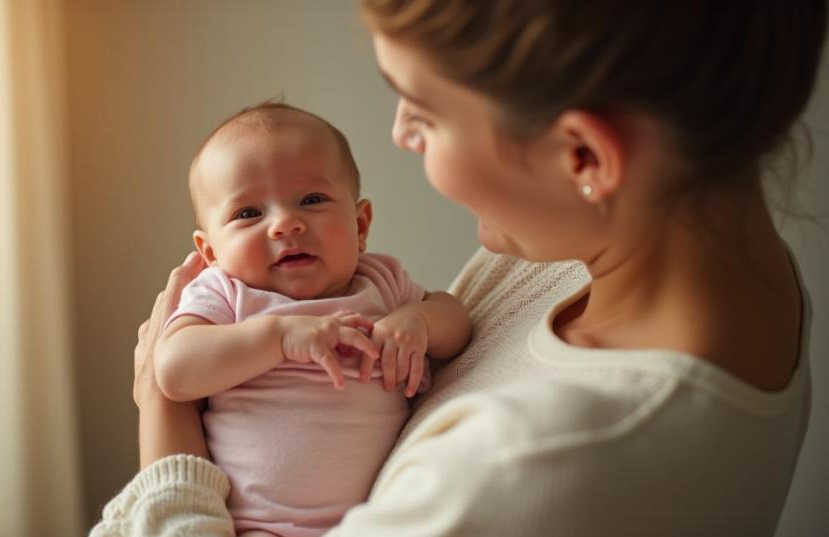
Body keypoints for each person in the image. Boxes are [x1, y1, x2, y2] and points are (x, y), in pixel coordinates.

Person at [92, 1, 826, 535]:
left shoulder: (520, 471)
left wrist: (162, 422)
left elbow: (443, 323)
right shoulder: (703, 254)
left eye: (423, 110)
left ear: (583, 158)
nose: (398, 135)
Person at [153, 102, 471, 537]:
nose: (286, 224)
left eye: (312, 200)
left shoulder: (380, 282)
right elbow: (173, 370)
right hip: (255, 525)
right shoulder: (226, 295)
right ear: (210, 253)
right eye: (248, 213)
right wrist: (278, 336)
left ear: (360, 225)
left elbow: (458, 321)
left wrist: (421, 320)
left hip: (379, 520)